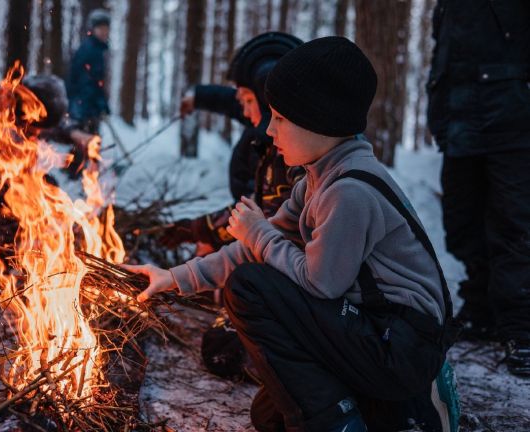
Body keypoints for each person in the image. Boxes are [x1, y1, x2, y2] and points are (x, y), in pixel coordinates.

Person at [125, 37, 460, 432]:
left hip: (401, 345)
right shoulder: (317, 179)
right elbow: (252, 251)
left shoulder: (349, 191)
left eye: (281, 118)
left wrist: (259, 235)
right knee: (268, 417)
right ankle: (399, 410)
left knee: (249, 288)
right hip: (372, 333)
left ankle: (345, 421)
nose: (269, 130)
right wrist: (174, 278)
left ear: (320, 121)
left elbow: (320, 284)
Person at [426, 0, 530, 375]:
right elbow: (445, 59)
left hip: (513, 123)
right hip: (459, 124)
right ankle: (482, 309)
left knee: (514, 226)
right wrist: (438, 114)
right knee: (462, 222)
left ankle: (521, 329)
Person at [164, 32, 304, 253]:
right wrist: (199, 97)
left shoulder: (290, 156)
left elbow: (266, 219)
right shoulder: (267, 135)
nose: (246, 112)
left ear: (268, 101)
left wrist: (203, 231)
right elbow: (234, 102)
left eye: (248, 100)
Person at [66, 8, 111, 134]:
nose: (104, 32)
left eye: (106, 28)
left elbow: (97, 82)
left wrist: (102, 104)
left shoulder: (98, 50)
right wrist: (98, 102)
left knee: (89, 145)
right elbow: (86, 82)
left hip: (89, 108)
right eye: (100, 28)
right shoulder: (89, 50)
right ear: (92, 29)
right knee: (85, 145)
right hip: (83, 109)